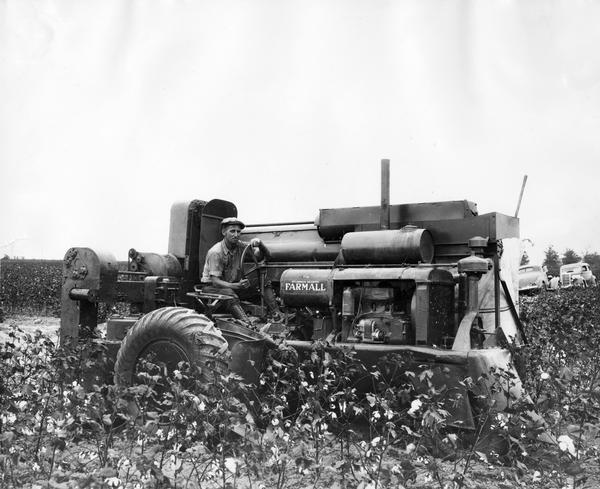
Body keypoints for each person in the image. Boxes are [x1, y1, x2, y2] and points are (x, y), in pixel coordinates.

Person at [201, 217, 280, 322]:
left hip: (232, 285)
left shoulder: (240, 246)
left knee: (262, 281)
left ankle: (277, 314)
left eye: (238, 232)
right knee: (229, 293)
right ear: (224, 232)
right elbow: (215, 281)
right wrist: (236, 285)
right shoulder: (216, 252)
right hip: (211, 288)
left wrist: (260, 244)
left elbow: (264, 256)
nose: (236, 234)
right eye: (232, 231)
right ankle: (247, 323)